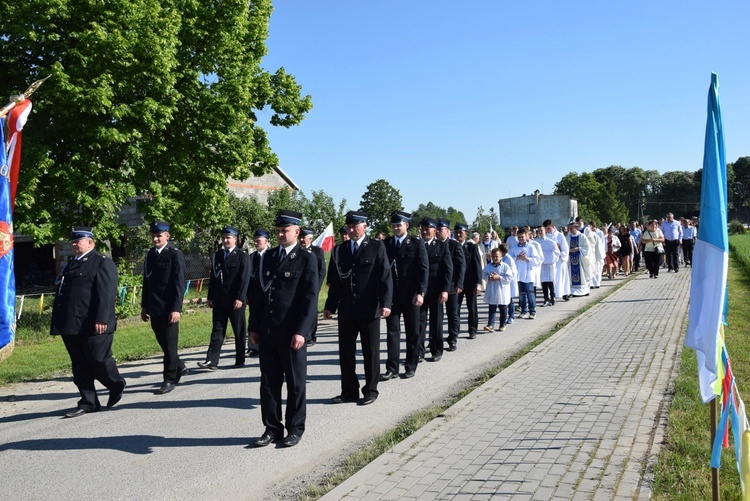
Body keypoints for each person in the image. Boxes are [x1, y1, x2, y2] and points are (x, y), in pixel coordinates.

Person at [249, 210, 319, 448]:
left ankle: (295, 428)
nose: (280, 234)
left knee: (295, 384)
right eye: (278, 230)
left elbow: (310, 299)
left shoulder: (306, 258)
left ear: (297, 232)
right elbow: (259, 294)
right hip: (268, 331)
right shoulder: (267, 257)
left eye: (285, 230)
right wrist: (254, 327)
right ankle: (272, 428)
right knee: (268, 383)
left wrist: (302, 331)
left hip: (292, 334)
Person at [51, 227, 125, 418]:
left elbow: (106, 294)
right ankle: (88, 402)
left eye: (79, 241)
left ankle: (115, 383)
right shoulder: (70, 265)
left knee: (99, 359)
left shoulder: (101, 263)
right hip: (71, 324)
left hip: (94, 323)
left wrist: (102, 318)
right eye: (73, 242)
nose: (75, 245)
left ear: (90, 243)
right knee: (79, 364)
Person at [325, 211, 393, 406]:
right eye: (349, 227)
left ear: (365, 226)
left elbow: (384, 277)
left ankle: (370, 390)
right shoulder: (340, 250)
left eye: (356, 226)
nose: (352, 230)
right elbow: (336, 282)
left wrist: (386, 304)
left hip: (369, 308)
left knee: (370, 352)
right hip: (347, 309)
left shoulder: (376, 247)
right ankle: (349, 391)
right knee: (346, 353)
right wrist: (330, 305)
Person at [141, 221, 188, 395]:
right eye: (153, 235)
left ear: (167, 236)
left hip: (169, 307)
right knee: (163, 342)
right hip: (154, 306)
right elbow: (147, 282)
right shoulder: (150, 255)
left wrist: (176, 308)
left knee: (169, 344)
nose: (155, 239)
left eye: (159, 235)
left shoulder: (174, 254)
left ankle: (169, 379)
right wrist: (144, 305)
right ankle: (180, 365)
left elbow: (179, 283)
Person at [381, 211, 428, 380]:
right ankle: (392, 368)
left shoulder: (416, 243)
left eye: (398, 225)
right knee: (392, 332)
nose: (395, 228)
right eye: (393, 226)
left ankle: (410, 365)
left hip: (411, 295)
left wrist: (421, 292)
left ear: (406, 225)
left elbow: (423, 269)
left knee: (412, 331)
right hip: (392, 296)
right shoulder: (386, 244)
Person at [198, 226, 251, 370]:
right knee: (217, 330)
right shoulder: (218, 255)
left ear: (235, 239)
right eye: (223, 238)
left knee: (239, 330)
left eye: (228, 238)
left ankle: (240, 359)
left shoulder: (242, 256)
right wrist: (210, 296)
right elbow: (214, 277)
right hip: (220, 299)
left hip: (236, 301)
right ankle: (212, 361)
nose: (225, 240)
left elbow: (244, 279)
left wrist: (240, 298)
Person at [418, 217, 453, 362]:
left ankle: (436, 350)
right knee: (419, 323)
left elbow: (448, 270)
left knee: (436, 322)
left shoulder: (442, 246)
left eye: (428, 229)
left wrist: (445, 290)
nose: (425, 231)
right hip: (420, 291)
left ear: (435, 231)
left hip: (437, 290)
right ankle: (419, 352)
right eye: (423, 229)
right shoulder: (417, 245)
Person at [436, 219, 465, 352]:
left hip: (452, 286)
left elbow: (460, 266)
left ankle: (453, 339)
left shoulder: (454, 245)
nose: (438, 231)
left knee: (453, 314)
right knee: (437, 316)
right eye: (437, 229)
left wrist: (459, 283)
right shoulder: (434, 245)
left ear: (448, 231)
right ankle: (435, 340)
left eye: (441, 229)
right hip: (438, 286)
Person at [299, 227, 326, 347]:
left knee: (311, 310)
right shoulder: (298, 250)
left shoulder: (317, 251)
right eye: (300, 237)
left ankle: (311, 335)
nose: (301, 240)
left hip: (312, 285)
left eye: (303, 237)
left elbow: (322, 270)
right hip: (300, 286)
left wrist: (317, 286)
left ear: (310, 238)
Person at [455, 222, 482, 339]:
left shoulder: (472, 246)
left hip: (470, 282)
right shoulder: (452, 246)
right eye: (456, 232)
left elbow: (477, 266)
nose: (458, 235)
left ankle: (472, 329)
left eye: (461, 232)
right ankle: (455, 331)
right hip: (457, 283)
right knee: (455, 308)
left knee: (472, 307)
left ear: (466, 233)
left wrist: (478, 283)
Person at [508, 228, 542, 319]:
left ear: (526, 236)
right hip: (519, 273)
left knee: (530, 292)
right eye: (519, 237)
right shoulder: (514, 248)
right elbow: (510, 259)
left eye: (522, 237)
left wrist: (527, 259)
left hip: (528, 273)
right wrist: (517, 257)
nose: (520, 239)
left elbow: (537, 259)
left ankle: (532, 311)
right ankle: (524, 310)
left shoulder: (531, 247)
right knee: (522, 293)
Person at [246, 229, 270, 358]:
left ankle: (266, 342)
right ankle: (253, 347)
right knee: (253, 318)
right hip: (255, 294)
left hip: (267, 293)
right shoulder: (251, 257)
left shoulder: (271, 255)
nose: (256, 243)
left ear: (266, 241)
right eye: (254, 241)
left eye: (258, 241)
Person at [482, 247, 513, 332]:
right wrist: (489, 276)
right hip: (493, 289)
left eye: (497, 256)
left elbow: (509, 277)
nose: (495, 258)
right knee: (492, 307)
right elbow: (483, 274)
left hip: (502, 289)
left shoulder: (505, 267)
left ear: (501, 256)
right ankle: (490, 324)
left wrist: (499, 277)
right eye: (493, 257)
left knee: (503, 308)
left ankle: (502, 324)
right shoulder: (488, 266)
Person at [543, 219, 570, 302]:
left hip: (559, 260)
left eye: (548, 228)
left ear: (553, 227)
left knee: (561, 277)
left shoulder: (559, 236)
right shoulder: (545, 237)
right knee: (552, 279)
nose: (547, 230)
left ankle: (564, 293)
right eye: (546, 229)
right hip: (550, 261)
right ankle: (552, 295)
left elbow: (565, 248)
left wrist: (561, 253)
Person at [566, 220, 594, 297]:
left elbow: (587, 248)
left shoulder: (582, 236)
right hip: (571, 259)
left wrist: (579, 248)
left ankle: (584, 291)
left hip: (580, 259)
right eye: (570, 228)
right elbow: (564, 248)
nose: (571, 230)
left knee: (582, 275)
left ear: (576, 228)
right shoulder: (567, 237)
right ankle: (572, 291)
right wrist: (568, 250)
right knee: (571, 275)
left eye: (573, 228)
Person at [535, 227, 560, 306]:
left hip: (549, 264)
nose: (540, 232)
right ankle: (546, 298)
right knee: (544, 283)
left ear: (545, 231)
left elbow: (556, 253)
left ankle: (552, 297)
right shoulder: (536, 242)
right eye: (539, 231)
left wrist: (549, 257)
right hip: (541, 265)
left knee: (550, 282)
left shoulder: (551, 242)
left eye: (541, 230)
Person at [585, 222, 605, 288]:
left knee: (597, 268)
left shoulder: (595, 235)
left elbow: (600, 245)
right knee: (592, 268)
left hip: (595, 254)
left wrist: (600, 255)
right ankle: (593, 283)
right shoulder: (585, 235)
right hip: (591, 255)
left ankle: (596, 283)